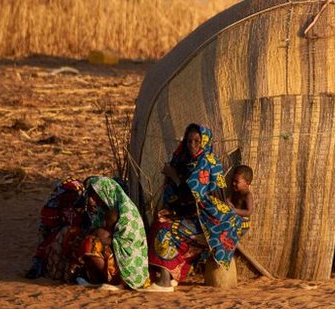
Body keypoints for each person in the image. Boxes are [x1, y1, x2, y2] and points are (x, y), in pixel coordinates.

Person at [148, 123, 247, 289]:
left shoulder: (207, 161)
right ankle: (171, 274)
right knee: (159, 221)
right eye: (189, 142)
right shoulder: (187, 161)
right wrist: (173, 211)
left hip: (211, 220)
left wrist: (173, 175)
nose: (192, 146)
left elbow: (191, 193)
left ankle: (165, 281)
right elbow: (187, 200)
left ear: (205, 142)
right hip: (197, 215)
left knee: (165, 229)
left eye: (197, 141)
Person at [77, 176, 150, 289]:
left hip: (128, 264)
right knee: (85, 240)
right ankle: (97, 279)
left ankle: (116, 281)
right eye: (90, 195)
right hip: (112, 250)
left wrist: (102, 238)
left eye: (95, 195)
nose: (92, 199)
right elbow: (95, 228)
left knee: (91, 243)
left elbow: (127, 242)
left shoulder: (127, 212)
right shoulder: (105, 209)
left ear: (106, 192)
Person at [25, 177, 88, 281]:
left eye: (72, 194)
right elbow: (47, 227)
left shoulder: (85, 206)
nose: (69, 197)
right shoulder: (53, 206)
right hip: (57, 236)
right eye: (67, 194)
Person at [227, 165, 255, 237]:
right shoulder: (236, 191)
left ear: (247, 183)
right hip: (235, 217)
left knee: (227, 232)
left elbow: (249, 211)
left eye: (236, 182)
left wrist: (234, 211)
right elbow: (229, 199)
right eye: (233, 181)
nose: (233, 183)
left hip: (243, 223)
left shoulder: (248, 195)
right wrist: (228, 202)